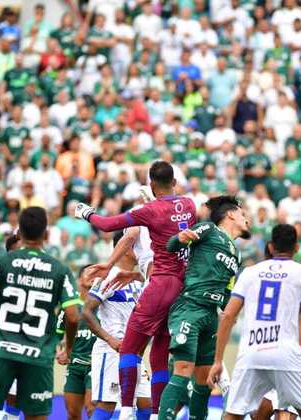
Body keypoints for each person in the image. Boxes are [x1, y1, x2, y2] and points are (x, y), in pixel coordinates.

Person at [74, 161, 196, 417]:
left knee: (129, 350)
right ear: (175, 182)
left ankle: (127, 411)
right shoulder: (189, 204)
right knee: (160, 356)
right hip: (181, 290)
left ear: (152, 185)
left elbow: (108, 225)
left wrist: (85, 212)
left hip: (160, 284)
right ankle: (155, 414)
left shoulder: (149, 211)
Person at [0, 207, 81, 419]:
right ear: (46, 234)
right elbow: (72, 316)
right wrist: (69, 348)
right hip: (38, 356)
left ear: (20, 234)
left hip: (1, 352)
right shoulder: (59, 269)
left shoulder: (2, 262)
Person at [207, 224, 301, 419]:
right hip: (286, 355)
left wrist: (218, 360)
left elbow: (227, 316)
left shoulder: (250, 272)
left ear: (270, 247)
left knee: (233, 414)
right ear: (296, 247)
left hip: (251, 352)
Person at [159, 196, 251, 419]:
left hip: (212, 316)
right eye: (243, 215)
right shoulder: (209, 229)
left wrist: (229, 310)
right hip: (190, 306)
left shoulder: (237, 254)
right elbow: (173, 245)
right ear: (230, 214)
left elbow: (227, 290)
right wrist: (179, 238)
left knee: (204, 381)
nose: (247, 219)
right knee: (182, 370)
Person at [82, 230, 152, 420]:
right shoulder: (108, 276)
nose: (143, 249)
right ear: (127, 248)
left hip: (132, 351)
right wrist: (110, 339)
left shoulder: (138, 279)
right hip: (110, 350)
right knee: (108, 404)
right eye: (138, 245)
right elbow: (86, 311)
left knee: (147, 403)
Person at [56, 265, 96, 420]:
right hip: (74, 365)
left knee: (92, 408)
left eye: (96, 274)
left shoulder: (105, 304)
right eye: (89, 273)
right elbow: (56, 335)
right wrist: (60, 351)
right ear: (80, 280)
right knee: (72, 413)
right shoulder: (70, 306)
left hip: (96, 365)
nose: (93, 276)